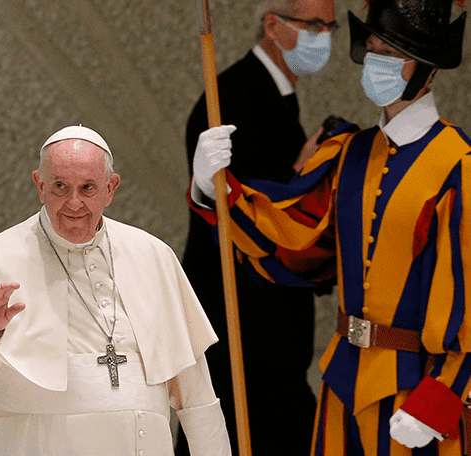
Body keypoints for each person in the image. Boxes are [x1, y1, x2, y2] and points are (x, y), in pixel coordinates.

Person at [190, 0, 471, 454]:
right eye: (375, 49)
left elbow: (469, 300)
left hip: (416, 390)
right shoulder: (351, 153)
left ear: (429, 69)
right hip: (342, 378)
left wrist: (441, 398)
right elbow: (296, 243)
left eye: (395, 56)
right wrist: (216, 190)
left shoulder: (459, 166)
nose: (378, 63)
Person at [0, 125, 231, 456]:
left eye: (88, 188)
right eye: (60, 187)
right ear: (40, 186)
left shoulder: (152, 255)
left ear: (111, 188)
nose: (74, 203)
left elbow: (197, 398)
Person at [179, 0, 338, 454]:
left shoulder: (273, 92)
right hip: (244, 321)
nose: (323, 37)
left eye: (329, 26)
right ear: (272, 25)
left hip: (269, 327)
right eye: (312, 25)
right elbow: (241, 211)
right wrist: (302, 175)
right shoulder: (234, 96)